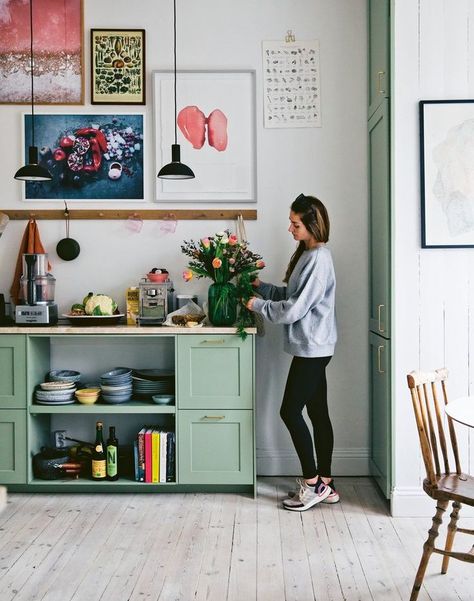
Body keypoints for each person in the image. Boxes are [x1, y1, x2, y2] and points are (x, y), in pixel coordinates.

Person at [246, 193, 338, 512]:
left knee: (289, 411)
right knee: (317, 413)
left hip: (313, 348)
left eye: (295, 223)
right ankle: (327, 483)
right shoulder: (307, 254)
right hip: (314, 346)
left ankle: (313, 485)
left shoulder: (318, 259)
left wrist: (259, 305)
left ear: (312, 225)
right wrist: (262, 287)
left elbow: (295, 308)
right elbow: (292, 294)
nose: (290, 228)